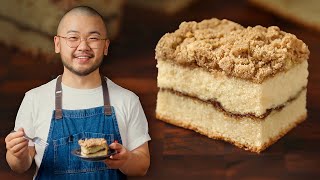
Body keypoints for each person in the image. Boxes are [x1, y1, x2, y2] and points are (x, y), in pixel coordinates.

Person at [5, 6, 151, 179]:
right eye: (73, 37)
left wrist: (126, 160)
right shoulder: (34, 99)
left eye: (93, 38)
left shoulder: (127, 100)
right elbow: (19, 166)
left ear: (105, 46)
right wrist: (17, 155)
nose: (83, 46)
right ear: (57, 44)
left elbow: (142, 165)